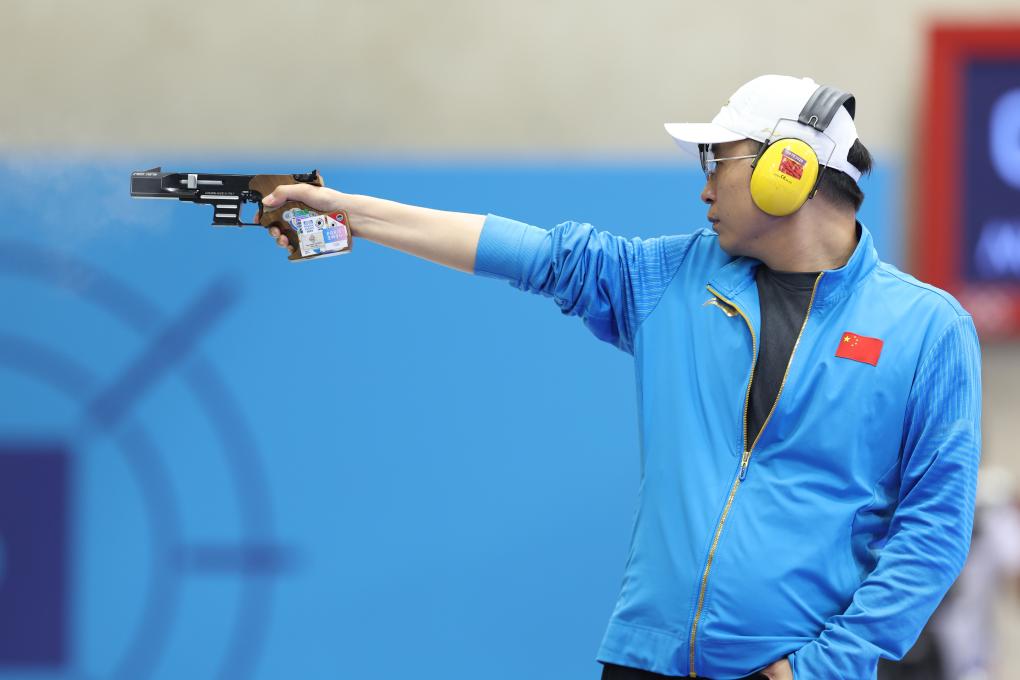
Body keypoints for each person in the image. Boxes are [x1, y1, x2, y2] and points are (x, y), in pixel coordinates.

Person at [259, 75, 983, 679]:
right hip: (642, 661)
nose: (704, 189)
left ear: (785, 169)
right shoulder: (672, 277)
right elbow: (531, 253)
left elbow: (934, 531)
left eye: (717, 161)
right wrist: (349, 213)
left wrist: (831, 667)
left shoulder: (929, 329)